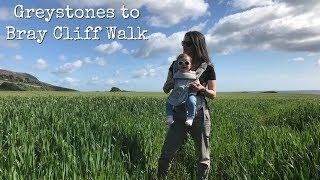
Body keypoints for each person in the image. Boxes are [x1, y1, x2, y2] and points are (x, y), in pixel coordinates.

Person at [158, 31, 217, 180]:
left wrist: (201, 89)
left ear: (198, 45)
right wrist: (168, 84)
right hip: (177, 114)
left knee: (203, 158)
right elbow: (165, 90)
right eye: (183, 43)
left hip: (199, 114)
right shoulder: (175, 64)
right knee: (166, 153)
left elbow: (213, 94)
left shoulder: (207, 67)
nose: (184, 46)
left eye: (188, 43)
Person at [165, 53, 207, 126]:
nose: (183, 64)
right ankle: (169, 116)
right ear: (177, 65)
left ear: (191, 65)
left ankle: (190, 117)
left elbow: (198, 81)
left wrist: (198, 86)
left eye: (186, 63)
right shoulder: (176, 74)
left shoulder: (193, 74)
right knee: (169, 102)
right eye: (180, 63)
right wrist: (170, 84)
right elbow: (169, 85)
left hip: (189, 93)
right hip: (178, 93)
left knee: (191, 101)